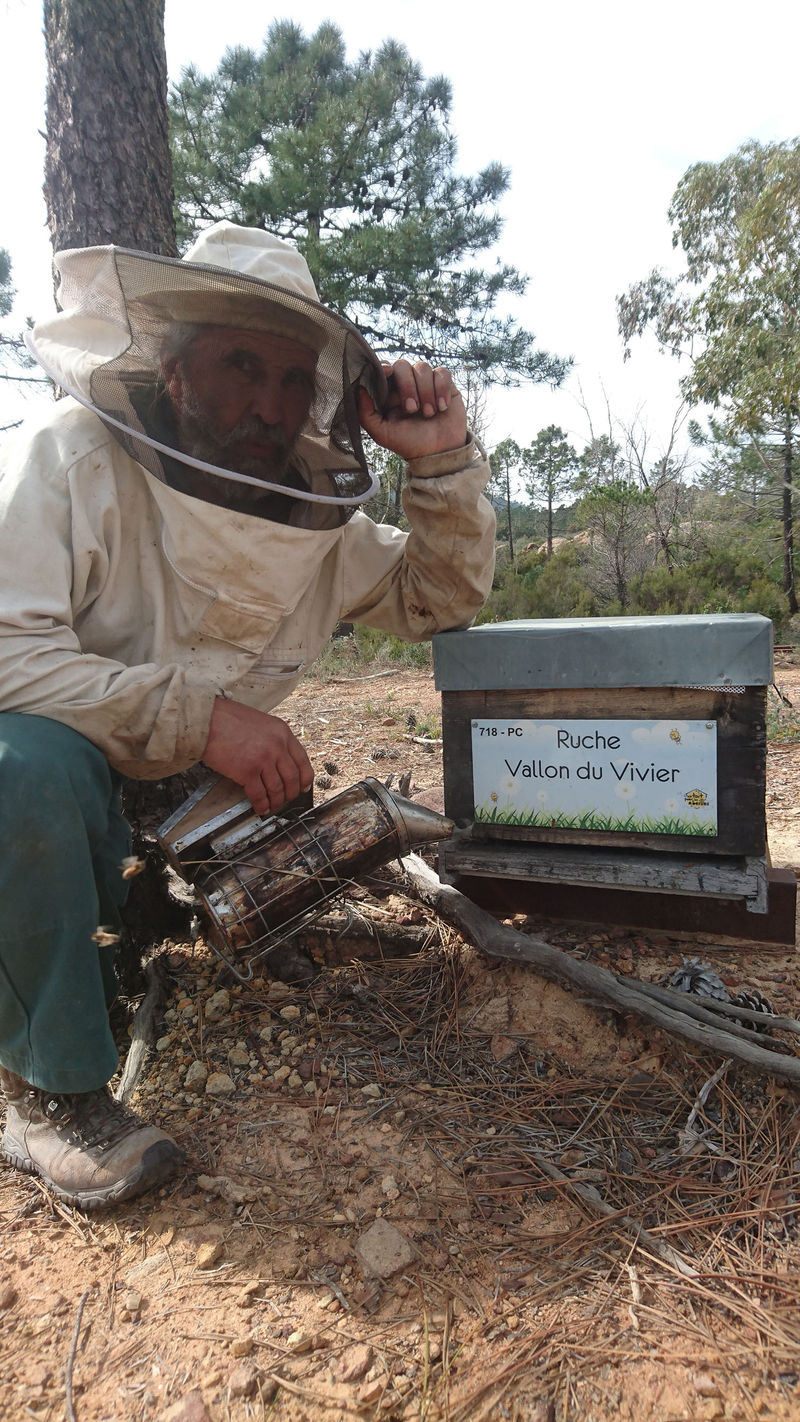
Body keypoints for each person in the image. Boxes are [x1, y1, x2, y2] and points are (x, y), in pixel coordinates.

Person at [0, 222, 495, 1210]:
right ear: (175, 371)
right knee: (25, 764)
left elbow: (436, 599)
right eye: (239, 366)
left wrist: (440, 465)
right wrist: (204, 719)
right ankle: (46, 1093)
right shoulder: (63, 460)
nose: (270, 405)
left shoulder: (309, 513)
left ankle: (128, 933)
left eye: (290, 380)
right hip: (44, 784)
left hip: (163, 806)